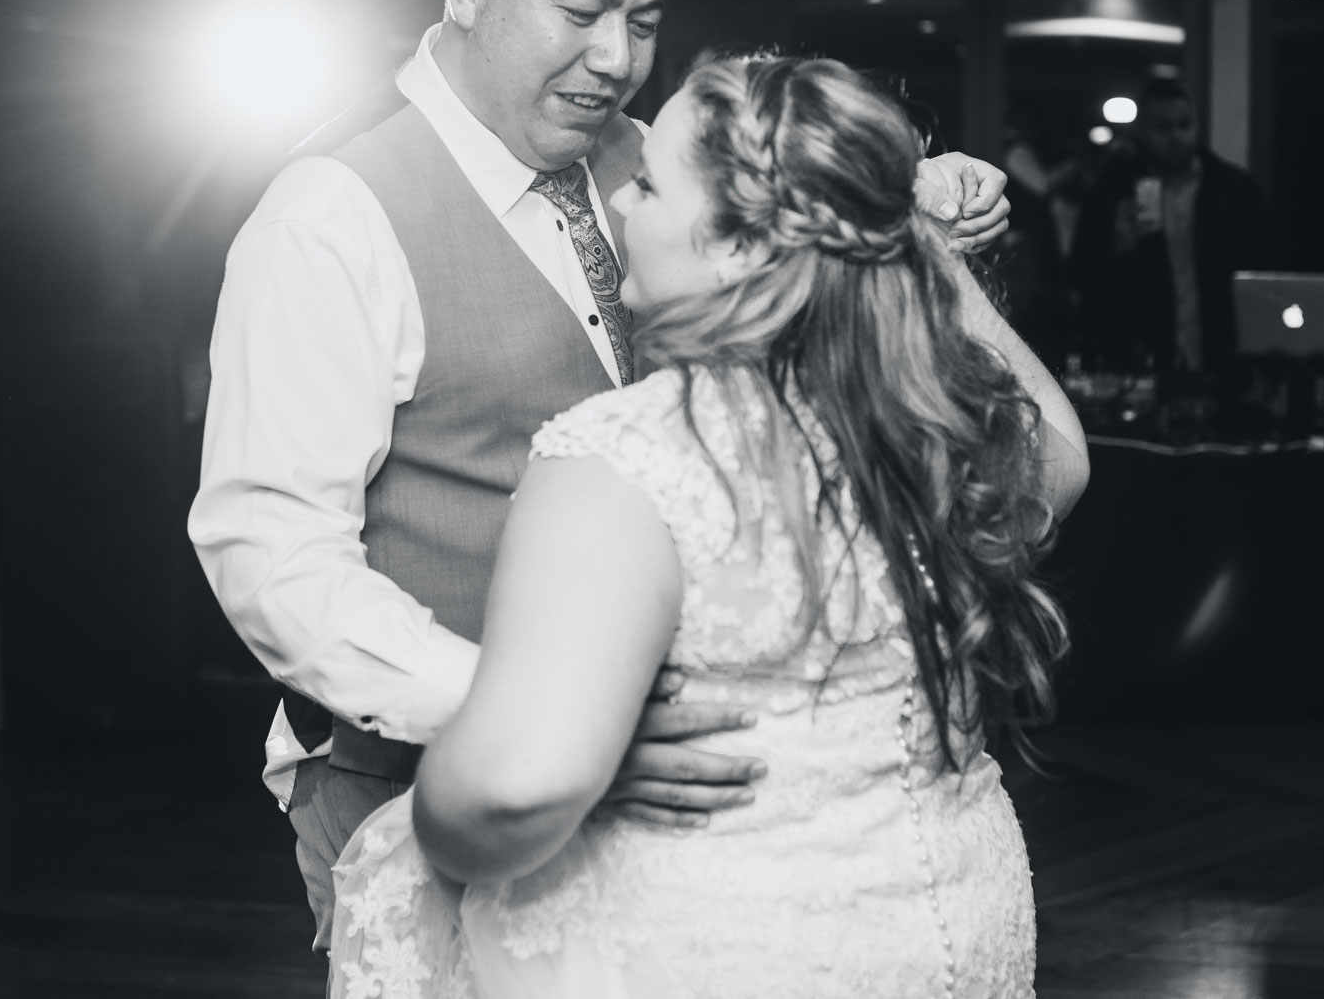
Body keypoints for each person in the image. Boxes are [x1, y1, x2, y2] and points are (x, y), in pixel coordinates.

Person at [188, 0, 1015, 955]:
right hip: (432, 795)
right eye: (579, 12)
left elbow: (794, 287)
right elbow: (271, 548)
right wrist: (534, 717)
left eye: (644, 19)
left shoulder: (649, 161)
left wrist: (913, 208)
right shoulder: (331, 215)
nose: (620, 58)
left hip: (686, 841)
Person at [327, 54, 1090, 997]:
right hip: (946, 937)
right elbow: (1063, 449)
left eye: (648, 185)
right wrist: (911, 240)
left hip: (724, 953)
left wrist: (442, 797)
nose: (621, 208)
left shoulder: (624, 456)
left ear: (736, 247)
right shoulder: (934, 428)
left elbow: (508, 791)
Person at [1066, 79, 1270, 376]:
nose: (1176, 136)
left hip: (1222, 355)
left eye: (1184, 124)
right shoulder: (1112, 191)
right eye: (1163, 127)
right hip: (1140, 358)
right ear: (1142, 131)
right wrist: (1118, 243)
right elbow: (1081, 277)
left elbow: (1259, 271)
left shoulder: (1234, 189)